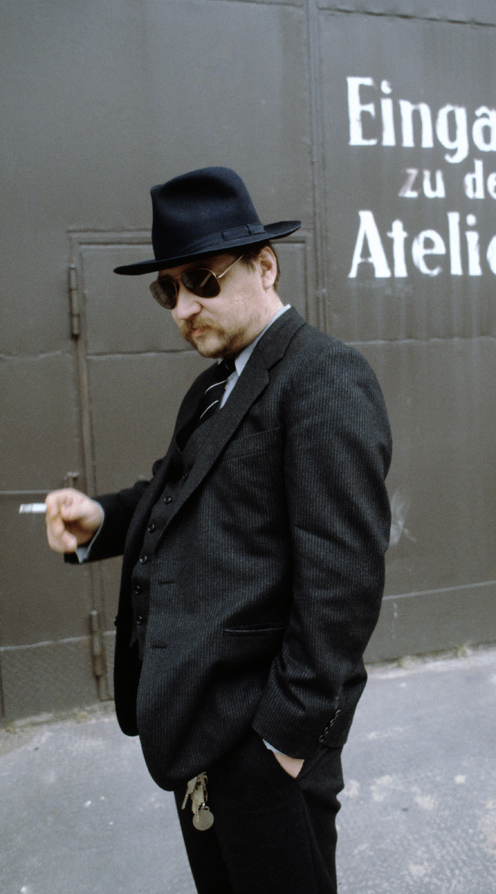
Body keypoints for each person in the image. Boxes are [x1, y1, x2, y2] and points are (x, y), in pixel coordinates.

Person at [45, 166, 392, 894]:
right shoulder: (215, 383)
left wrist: (280, 744)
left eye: (201, 280)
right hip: (197, 727)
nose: (183, 307)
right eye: (167, 290)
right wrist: (100, 519)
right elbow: (176, 493)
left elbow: (344, 583)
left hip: (263, 744)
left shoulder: (325, 377)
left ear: (265, 266)